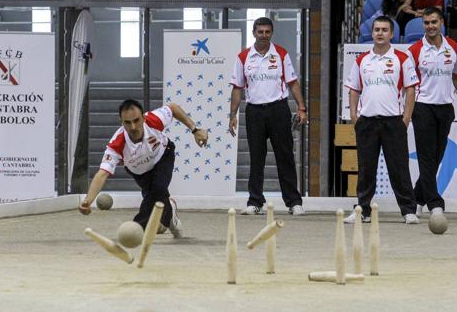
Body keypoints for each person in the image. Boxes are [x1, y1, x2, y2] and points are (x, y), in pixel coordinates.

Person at [78, 99, 209, 238]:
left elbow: (174, 108)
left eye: (136, 120)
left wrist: (195, 130)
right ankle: (170, 215)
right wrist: (88, 201)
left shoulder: (153, 120)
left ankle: (136, 228)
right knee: (157, 197)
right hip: (140, 173)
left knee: (158, 189)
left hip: (163, 156)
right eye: (127, 123)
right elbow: (102, 174)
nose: (133, 127)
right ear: (121, 122)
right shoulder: (117, 143)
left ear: (143, 117)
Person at [344, 16, 420, 224]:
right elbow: (354, 90)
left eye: (384, 30)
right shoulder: (362, 60)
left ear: (392, 34)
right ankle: (363, 210)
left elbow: (410, 90)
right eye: (376, 29)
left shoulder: (401, 59)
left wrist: (405, 118)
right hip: (366, 122)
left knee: (399, 168)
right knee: (366, 169)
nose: (379, 33)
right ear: (373, 32)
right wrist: (353, 116)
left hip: (393, 122)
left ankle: (408, 211)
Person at [228, 17, 308, 216]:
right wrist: (233, 115)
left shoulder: (281, 54)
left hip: (279, 110)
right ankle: (255, 202)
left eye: (267, 32)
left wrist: (302, 108)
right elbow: (237, 88)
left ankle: (294, 202)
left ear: (272, 33)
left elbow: (293, 82)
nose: (263, 35)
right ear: (254, 33)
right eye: (260, 31)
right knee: (256, 158)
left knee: (285, 156)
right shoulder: (243, 57)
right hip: (254, 112)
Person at [407, 7, 457, 223]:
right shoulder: (414, 50)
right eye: (426, 23)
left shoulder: (453, 46)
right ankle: (435, 203)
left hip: (445, 108)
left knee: (437, 157)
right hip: (423, 107)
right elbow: (409, 85)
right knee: (426, 156)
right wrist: (407, 112)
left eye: (434, 22)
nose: (430, 26)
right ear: (423, 24)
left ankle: (417, 197)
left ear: (441, 22)